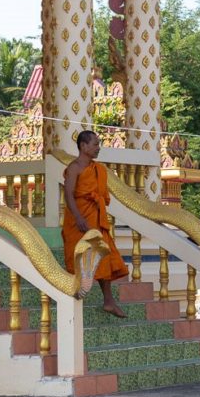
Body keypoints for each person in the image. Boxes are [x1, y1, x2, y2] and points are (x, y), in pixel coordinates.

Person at [62, 130, 129, 318]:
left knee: (104, 256)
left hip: (96, 219)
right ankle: (71, 295)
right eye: (95, 144)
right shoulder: (74, 168)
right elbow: (68, 195)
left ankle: (109, 300)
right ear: (83, 146)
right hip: (79, 220)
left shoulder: (98, 169)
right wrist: (78, 217)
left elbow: (101, 195)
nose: (98, 148)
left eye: (98, 144)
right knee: (78, 257)